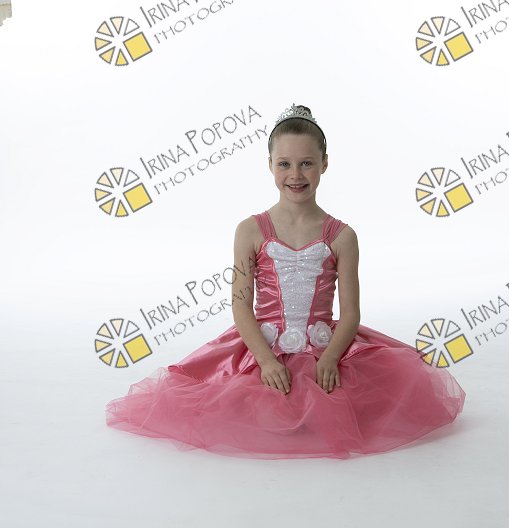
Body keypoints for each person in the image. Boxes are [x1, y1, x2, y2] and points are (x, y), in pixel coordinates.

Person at [106, 104, 466, 459]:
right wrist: (266, 361)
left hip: (324, 345)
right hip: (263, 347)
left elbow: (351, 313)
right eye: (284, 164)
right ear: (270, 165)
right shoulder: (249, 231)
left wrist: (331, 357)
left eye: (307, 163)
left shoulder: (342, 236)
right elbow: (240, 306)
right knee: (256, 410)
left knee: (343, 405)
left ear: (325, 163)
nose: (296, 174)